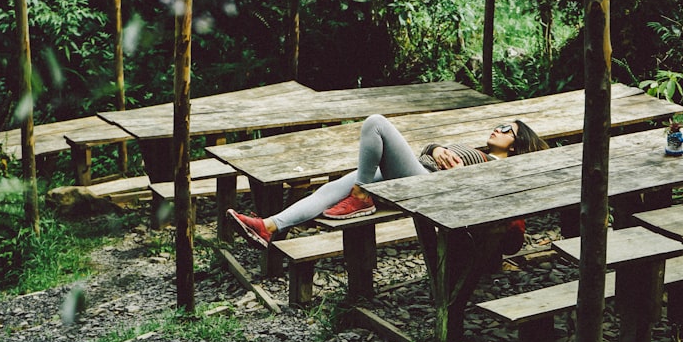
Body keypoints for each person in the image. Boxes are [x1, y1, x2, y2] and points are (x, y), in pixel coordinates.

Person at [227, 114, 549, 251]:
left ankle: (362, 194)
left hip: (431, 190)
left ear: (518, 144)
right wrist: (436, 149)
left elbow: (482, 201)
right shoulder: (481, 152)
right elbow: (427, 150)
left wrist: (460, 176)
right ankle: (269, 227)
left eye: (508, 129)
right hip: (421, 175)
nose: (499, 128)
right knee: (337, 185)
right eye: (500, 124)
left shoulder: (500, 170)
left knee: (376, 124)